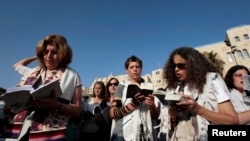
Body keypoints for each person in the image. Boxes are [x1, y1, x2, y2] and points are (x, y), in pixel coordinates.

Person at [2, 34, 82, 141]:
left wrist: (57, 105)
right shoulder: (32, 72)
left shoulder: (72, 75)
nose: (49, 56)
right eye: (46, 52)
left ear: (63, 54)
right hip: (19, 132)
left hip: (49, 134)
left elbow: (77, 110)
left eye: (54, 52)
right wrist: (11, 106)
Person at [158, 47, 238, 141]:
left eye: (181, 65)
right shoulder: (174, 89)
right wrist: (173, 115)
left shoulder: (212, 81)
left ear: (193, 65)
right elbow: (173, 128)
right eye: (174, 66)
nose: (176, 69)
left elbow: (232, 120)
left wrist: (198, 109)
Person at [109, 55, 160, 141]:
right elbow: (112, 113)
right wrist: (132, 105)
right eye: (131, 67)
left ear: (141, 68)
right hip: (122, 134)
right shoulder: (122, 86)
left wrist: (151, 105)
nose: (135, 69)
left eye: (137, 67)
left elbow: (154, 116)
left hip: (143, 134)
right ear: (127, 70)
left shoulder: (149, 86)